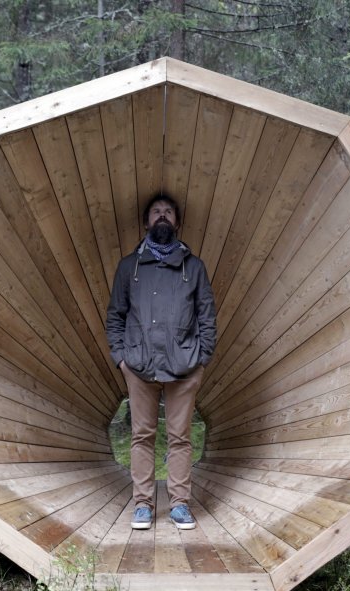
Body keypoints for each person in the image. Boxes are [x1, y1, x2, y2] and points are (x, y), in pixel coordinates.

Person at [106, 193, 217, 531]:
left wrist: (202, 358)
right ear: (146, 222)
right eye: (156, 212)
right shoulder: (129, 267)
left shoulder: (194, 267)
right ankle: (142, 505)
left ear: (178, 222)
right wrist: (121, 358)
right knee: (142, 435)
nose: (162, 216)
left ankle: (180, 505)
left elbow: (206, 315)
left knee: (180, 436)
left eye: (168, 212)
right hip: (139, 365)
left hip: (184, 366)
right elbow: (116, 316)